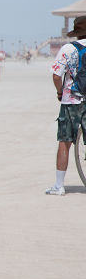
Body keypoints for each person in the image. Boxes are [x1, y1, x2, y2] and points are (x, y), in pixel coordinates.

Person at [47, 15, 86, 195]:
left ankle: (59, 185)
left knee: (65, 142)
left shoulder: (68, 48)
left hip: (70, 101)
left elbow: (56, 75)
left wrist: (60, 92)